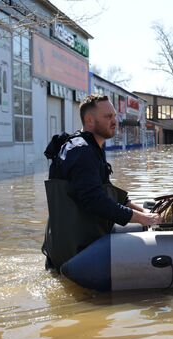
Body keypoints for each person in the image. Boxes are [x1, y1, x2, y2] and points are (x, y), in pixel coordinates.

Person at [42, 94, 160, 271]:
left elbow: (108, 193)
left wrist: (145, 212)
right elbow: (95, 200)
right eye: (108, 116)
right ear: (90, 120)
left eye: (114, 116)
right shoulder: (81, 151)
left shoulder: (89, 147)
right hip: (76, 251)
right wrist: (142, 219)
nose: (115, 121)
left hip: (73, 243)